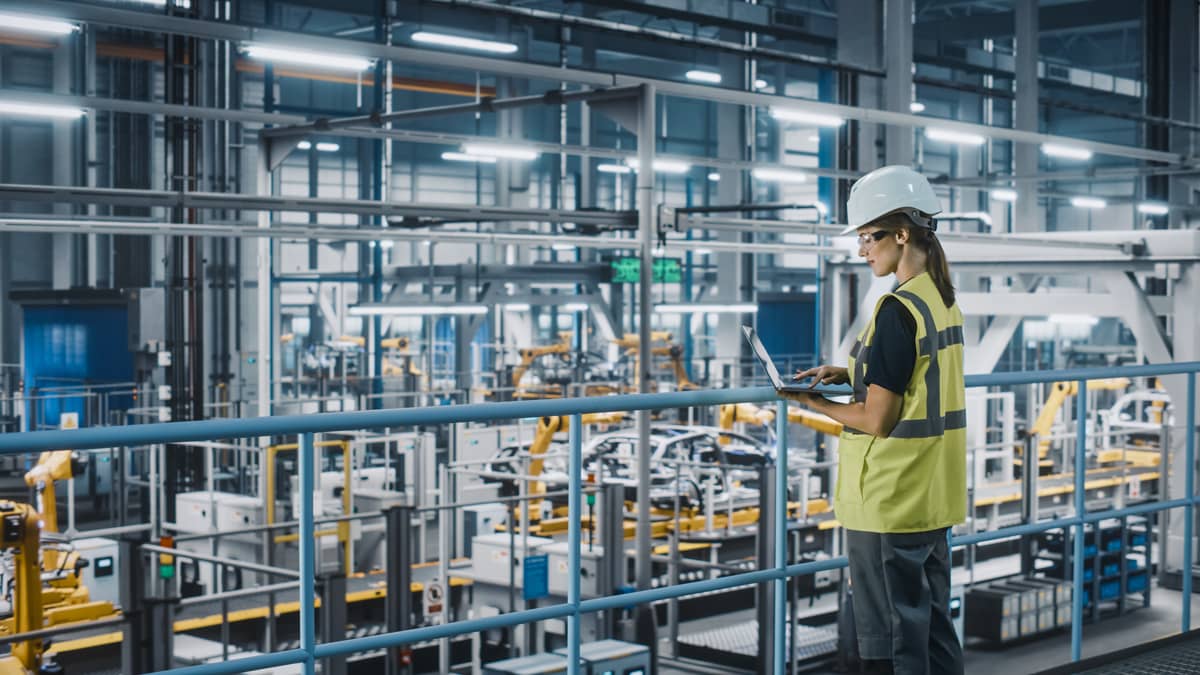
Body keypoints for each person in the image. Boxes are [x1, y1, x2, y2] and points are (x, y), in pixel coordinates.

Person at [788, 165, 967, 675]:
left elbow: (878, 419)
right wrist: (849, 371)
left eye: (869, 236)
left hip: (890, 500)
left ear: (902, 234)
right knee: (932, 629)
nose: (862, 249)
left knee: (890, 642)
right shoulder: (940, 299)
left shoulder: (896, 309)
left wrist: (811, 403)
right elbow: (917, 377)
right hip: (933, 493)